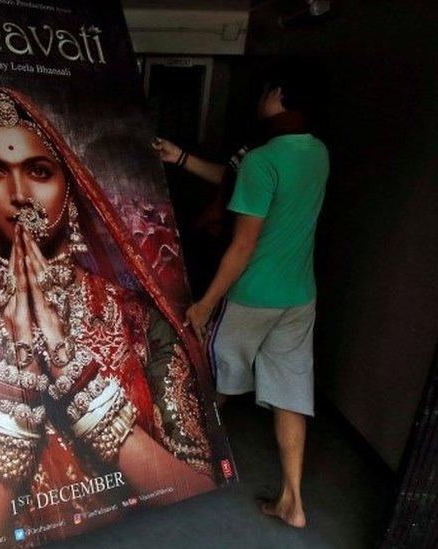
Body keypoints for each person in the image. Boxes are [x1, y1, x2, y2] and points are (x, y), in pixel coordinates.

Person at [0, 89, 231, 548]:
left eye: (39, 171)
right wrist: (17, 397)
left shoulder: (137, 321)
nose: (19, 195)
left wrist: (81, 386)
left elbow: (200, 495)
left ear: (69, 186)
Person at [155, 66, 329, 528]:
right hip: (299, 296)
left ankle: (177, 469)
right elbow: (235, 180)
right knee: (291, 395)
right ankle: (293, 501)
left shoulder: (262, 159)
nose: (261, 99)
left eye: (266, 92)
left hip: (252, 295)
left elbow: (244, 242)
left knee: (210, 376)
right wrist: (182, 158)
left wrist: (206, 302)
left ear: (278, 95)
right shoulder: (316, 152)